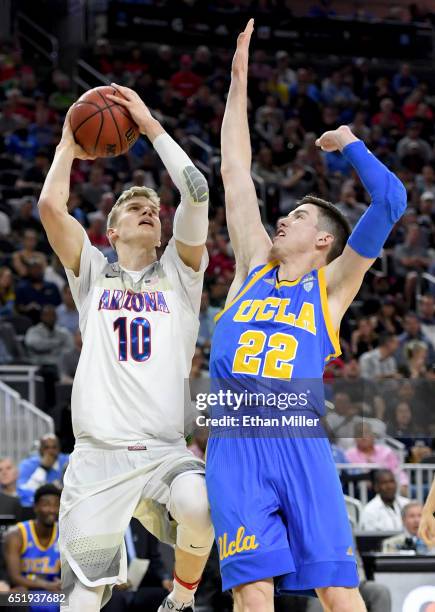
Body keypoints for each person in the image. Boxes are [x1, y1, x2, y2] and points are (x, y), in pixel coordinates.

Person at [206, 20, 407, 612]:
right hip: (235, 442)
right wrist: (238, 81)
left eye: (294, 216)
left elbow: (391, 200)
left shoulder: (333, 287)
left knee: (340, 591)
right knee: (252, 591)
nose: (282, 220)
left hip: (300, 442)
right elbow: (234, 170)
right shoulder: (250, 268)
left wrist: (348, 141)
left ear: (322, 241)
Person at [37, 84, 213, 612]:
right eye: (135, 207)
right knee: (85, 595)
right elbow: (50, 205)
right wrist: (70, 141)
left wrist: (150, 123)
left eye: (153, 210)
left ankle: (180, 600)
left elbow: (197, 191)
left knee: (200, 504)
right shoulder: (92, 274)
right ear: (110, 231)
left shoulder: (181, 276)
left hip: (162, 448)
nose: (148, 212)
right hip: (98, 457)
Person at [3, 484, 61, 612]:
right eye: (46, 504)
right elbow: (15, 577)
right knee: (15, 597)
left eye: (56, 505)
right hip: (26, 591)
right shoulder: (17, 534)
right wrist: (46, 585)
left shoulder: (65, 534)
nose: (52, 509)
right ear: (35, 507)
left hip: (55, 592)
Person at [18, 435, 69, 507]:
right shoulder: (27, 465)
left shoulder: (67, 461)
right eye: (46, 447)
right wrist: (43, 468)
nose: (50, 451)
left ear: (59, 449)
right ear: (40, 450)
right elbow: (24, 491)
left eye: (54, 447)